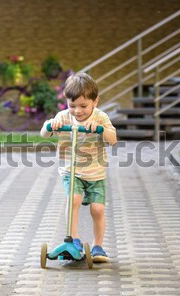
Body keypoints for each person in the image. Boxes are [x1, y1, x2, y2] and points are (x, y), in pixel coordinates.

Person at [40, 71, 117, 263]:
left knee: (97, 210)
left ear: (95, 101)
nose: (77, 111)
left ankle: (98, 246)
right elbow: (44, 133)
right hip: (71, 171)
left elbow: (113, 139)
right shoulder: (63, 117)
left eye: (83, 106)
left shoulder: (101, 117)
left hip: (95, 173)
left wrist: (100, 129)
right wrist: (50, 125)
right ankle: (73, 241)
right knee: (73, 200)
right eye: (72, 105)